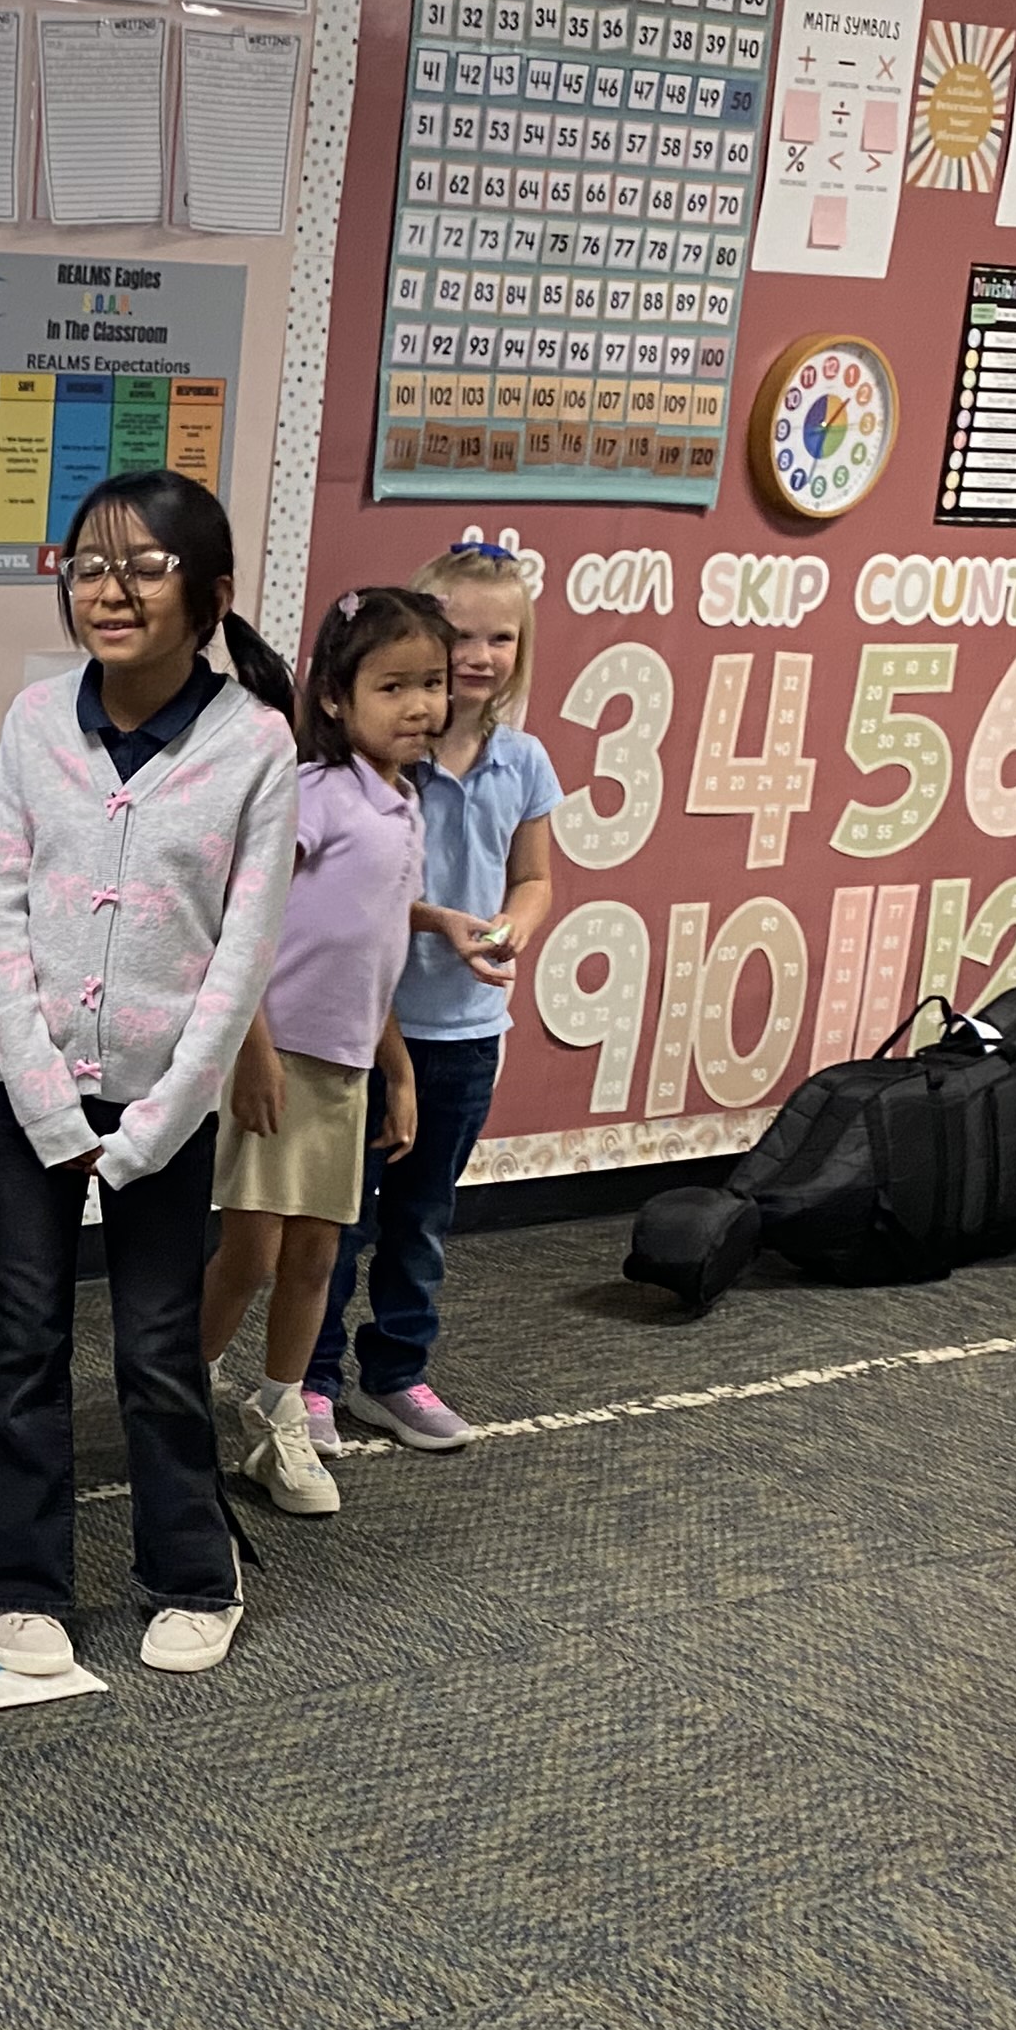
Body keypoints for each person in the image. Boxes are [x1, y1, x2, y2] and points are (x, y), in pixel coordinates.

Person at [0, 469, 297, 1679]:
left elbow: (242, 954)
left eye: (145, 567)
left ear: (210, 594)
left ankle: (194, 1572)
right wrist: (39, 1091)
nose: (111, 589)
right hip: (30, 1085)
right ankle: (16, 1576)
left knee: (155, 1343)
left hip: (168, 1096)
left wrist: (160, 1119)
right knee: (22, 1335)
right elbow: (1, 906)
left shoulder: (255, 745)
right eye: (90, 565)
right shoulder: (37, 722)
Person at [305, 539, 559, 1454]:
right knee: (339, 1217)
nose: (479, 656)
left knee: (423, 1219)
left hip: (467, 1030)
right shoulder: (381, 760)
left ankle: (396, 1373)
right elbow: (350, 897)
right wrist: (437, 921)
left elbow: (534, 877)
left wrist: (513, 923)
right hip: (363, 1027)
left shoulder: (522, 761)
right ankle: (310, 1379)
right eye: (459, 636)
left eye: (502, 637)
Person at [203, 587, 452, 1516]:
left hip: (346, 1071)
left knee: (316, 1256)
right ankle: (175, 1391)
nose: (420, 705)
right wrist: (252, 1049)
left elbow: (370, 952)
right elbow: (237, 917)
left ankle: (280, 1415)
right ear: (337, 698)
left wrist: (397, 1068)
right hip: (274, 1062)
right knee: (252, 1253)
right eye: (394, 686)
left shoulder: (405, 805)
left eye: (432, 683)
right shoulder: (314, 793)